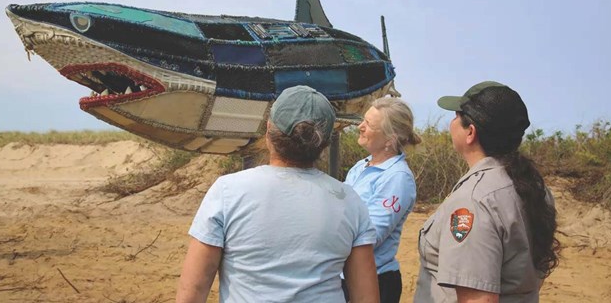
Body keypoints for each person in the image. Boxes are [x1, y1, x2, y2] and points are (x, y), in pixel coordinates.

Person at [176, 85, 380, 303]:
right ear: (325, 144)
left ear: (268, 130)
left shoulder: (228, 191)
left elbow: (193, 292)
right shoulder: (349, 200)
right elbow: (366, 298)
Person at [413, 81, 561, 303]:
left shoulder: (474, 200)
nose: (451, 123)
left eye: (456, 116)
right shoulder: (534, 188)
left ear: (470, 132)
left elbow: (478, 298)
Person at [343, 97, 421, 303]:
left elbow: (371, 235)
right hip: (347, 277)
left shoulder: (397, 178)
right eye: (363, 120)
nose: (360, 126)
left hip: (376, 281)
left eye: (368, 124)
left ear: (390, 139)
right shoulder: (361, 166)